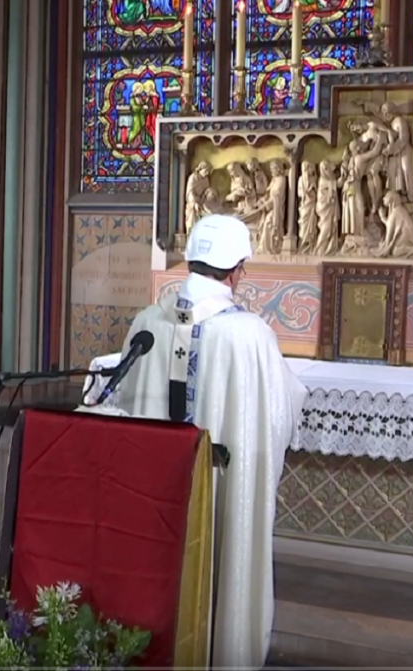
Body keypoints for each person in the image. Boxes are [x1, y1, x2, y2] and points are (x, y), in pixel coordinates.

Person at [115, 214, 307, 668]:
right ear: (236, 271)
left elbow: (122, 404)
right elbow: (279, 413)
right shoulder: (250, 336)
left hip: (155, 493)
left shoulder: (147, 322)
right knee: (221, 554)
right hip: (221, 491)